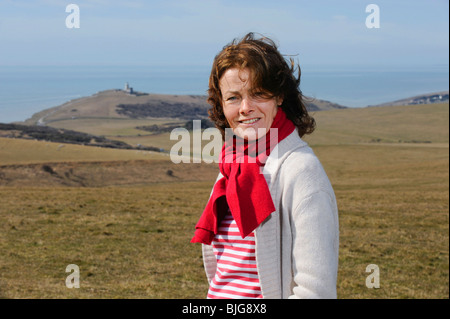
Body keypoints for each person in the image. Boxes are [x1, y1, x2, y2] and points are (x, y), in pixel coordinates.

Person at [191, 33, 339, 299]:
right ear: (221, 105)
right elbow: (225, 274)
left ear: (279, 96)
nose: (246, 108)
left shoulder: (302, 171)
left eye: (258, 94)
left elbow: (316, 291)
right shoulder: (231, 166)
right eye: (233, 98)